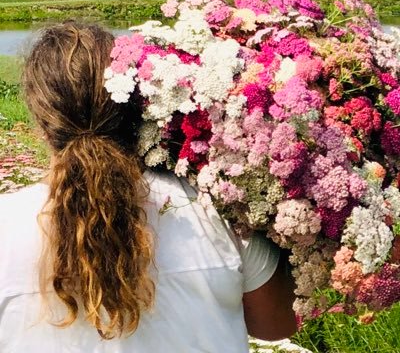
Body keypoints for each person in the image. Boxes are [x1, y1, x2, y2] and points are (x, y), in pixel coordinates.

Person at [0, 22, 297, 352]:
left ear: (42, 124)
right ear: (139, 106)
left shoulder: (6, 225)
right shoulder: (218, 211)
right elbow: (277, 325)